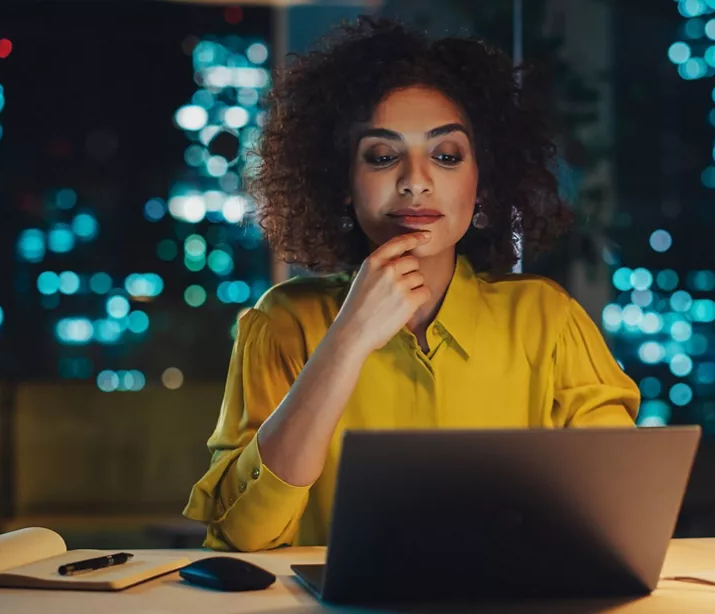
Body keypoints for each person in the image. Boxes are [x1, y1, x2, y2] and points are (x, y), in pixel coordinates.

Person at [181, 17, 639, 552]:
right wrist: (346, 341)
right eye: (382, 156)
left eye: (446, 156)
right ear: (343, 185)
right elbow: (243, 536)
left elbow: (620, 518)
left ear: (482, 185)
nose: (415, 180)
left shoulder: (548, 320)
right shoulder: (282, 322)